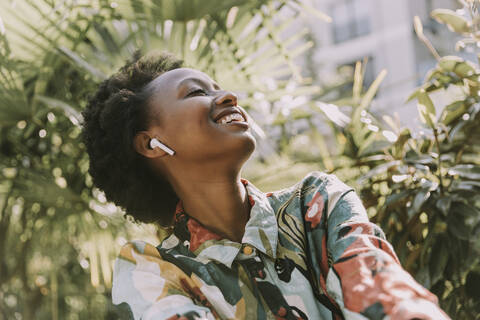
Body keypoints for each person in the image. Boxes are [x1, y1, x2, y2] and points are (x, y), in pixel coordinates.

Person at [81, 50, 450, 320]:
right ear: (150, 143)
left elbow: (382, 290)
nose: (227, 97)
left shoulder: (315, 205)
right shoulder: (153, 268)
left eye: (219, 88)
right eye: (196, 93)